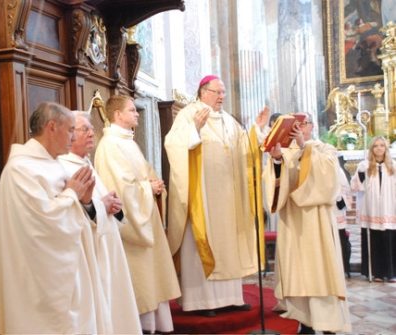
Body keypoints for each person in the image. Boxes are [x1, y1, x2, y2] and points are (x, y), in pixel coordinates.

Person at [0, 102, 109, 334]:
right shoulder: (21, 169)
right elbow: (43, 223)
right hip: (39, 277)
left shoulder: (54, 164)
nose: (73, 137)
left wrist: (85, 200)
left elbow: (73, 213)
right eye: (71, 129)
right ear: (52, 127)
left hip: (72, 268)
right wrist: (73, 193)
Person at [165, 75, 258, 316]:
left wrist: (257, 133)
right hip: (202, 195)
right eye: (217, 92)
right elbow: (172, 144)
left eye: (223, 92)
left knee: (228, 242)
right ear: (203, 91)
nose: (221, 96)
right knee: (202, 241)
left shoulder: (228, 120)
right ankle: (201, 302)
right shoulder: (189, 114)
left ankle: (231, 298)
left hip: (227, 194)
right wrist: (194, 129)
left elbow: (244, 149)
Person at [94, 95, 181, 333]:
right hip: (131, 227)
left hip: (144, 217)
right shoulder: (110, 145)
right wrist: (146, 189)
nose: (137, 114)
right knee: (139, 279)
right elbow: (121, 187)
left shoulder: (127, 142)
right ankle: (141, 327)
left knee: (149, 277)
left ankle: (154, 325)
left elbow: (140, 173)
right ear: (117, 115)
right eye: (132, 110)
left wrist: (153, 182)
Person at [262, 113, 351, 333]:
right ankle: (305, 322)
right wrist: (275, 161)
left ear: (312, 126)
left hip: (317, 221)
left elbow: (330, 182)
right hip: (294, 223)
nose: (300, 128)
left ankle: (328, 323)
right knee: (298, 272)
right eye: (296, 125)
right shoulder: (284, 153)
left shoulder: (324, 149)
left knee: (321, 271)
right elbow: (273, 188)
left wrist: (305, 147)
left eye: (304, 124)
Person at [58, 111, 142, 333]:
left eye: (90, 128)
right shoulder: (62, 166)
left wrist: (113, 206)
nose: (91, 133)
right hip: (90, 252)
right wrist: (100, 207)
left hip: (106, 245)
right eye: (84, 129)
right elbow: (68, 212)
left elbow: (97, 201)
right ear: (68, 134)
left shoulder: (84, 161)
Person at [350, 136, 396, 282]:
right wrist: (362, 174)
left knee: (390, 240)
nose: (379, 148)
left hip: (389, 208)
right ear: (372, 149)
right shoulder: (364, 165)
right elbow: (356, 186)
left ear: (386, 148)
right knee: (374, 240)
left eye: (382, 145)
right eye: (376, 146)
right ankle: (376, 272)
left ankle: (391, 272)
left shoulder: (393, 166)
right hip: (372, 209)